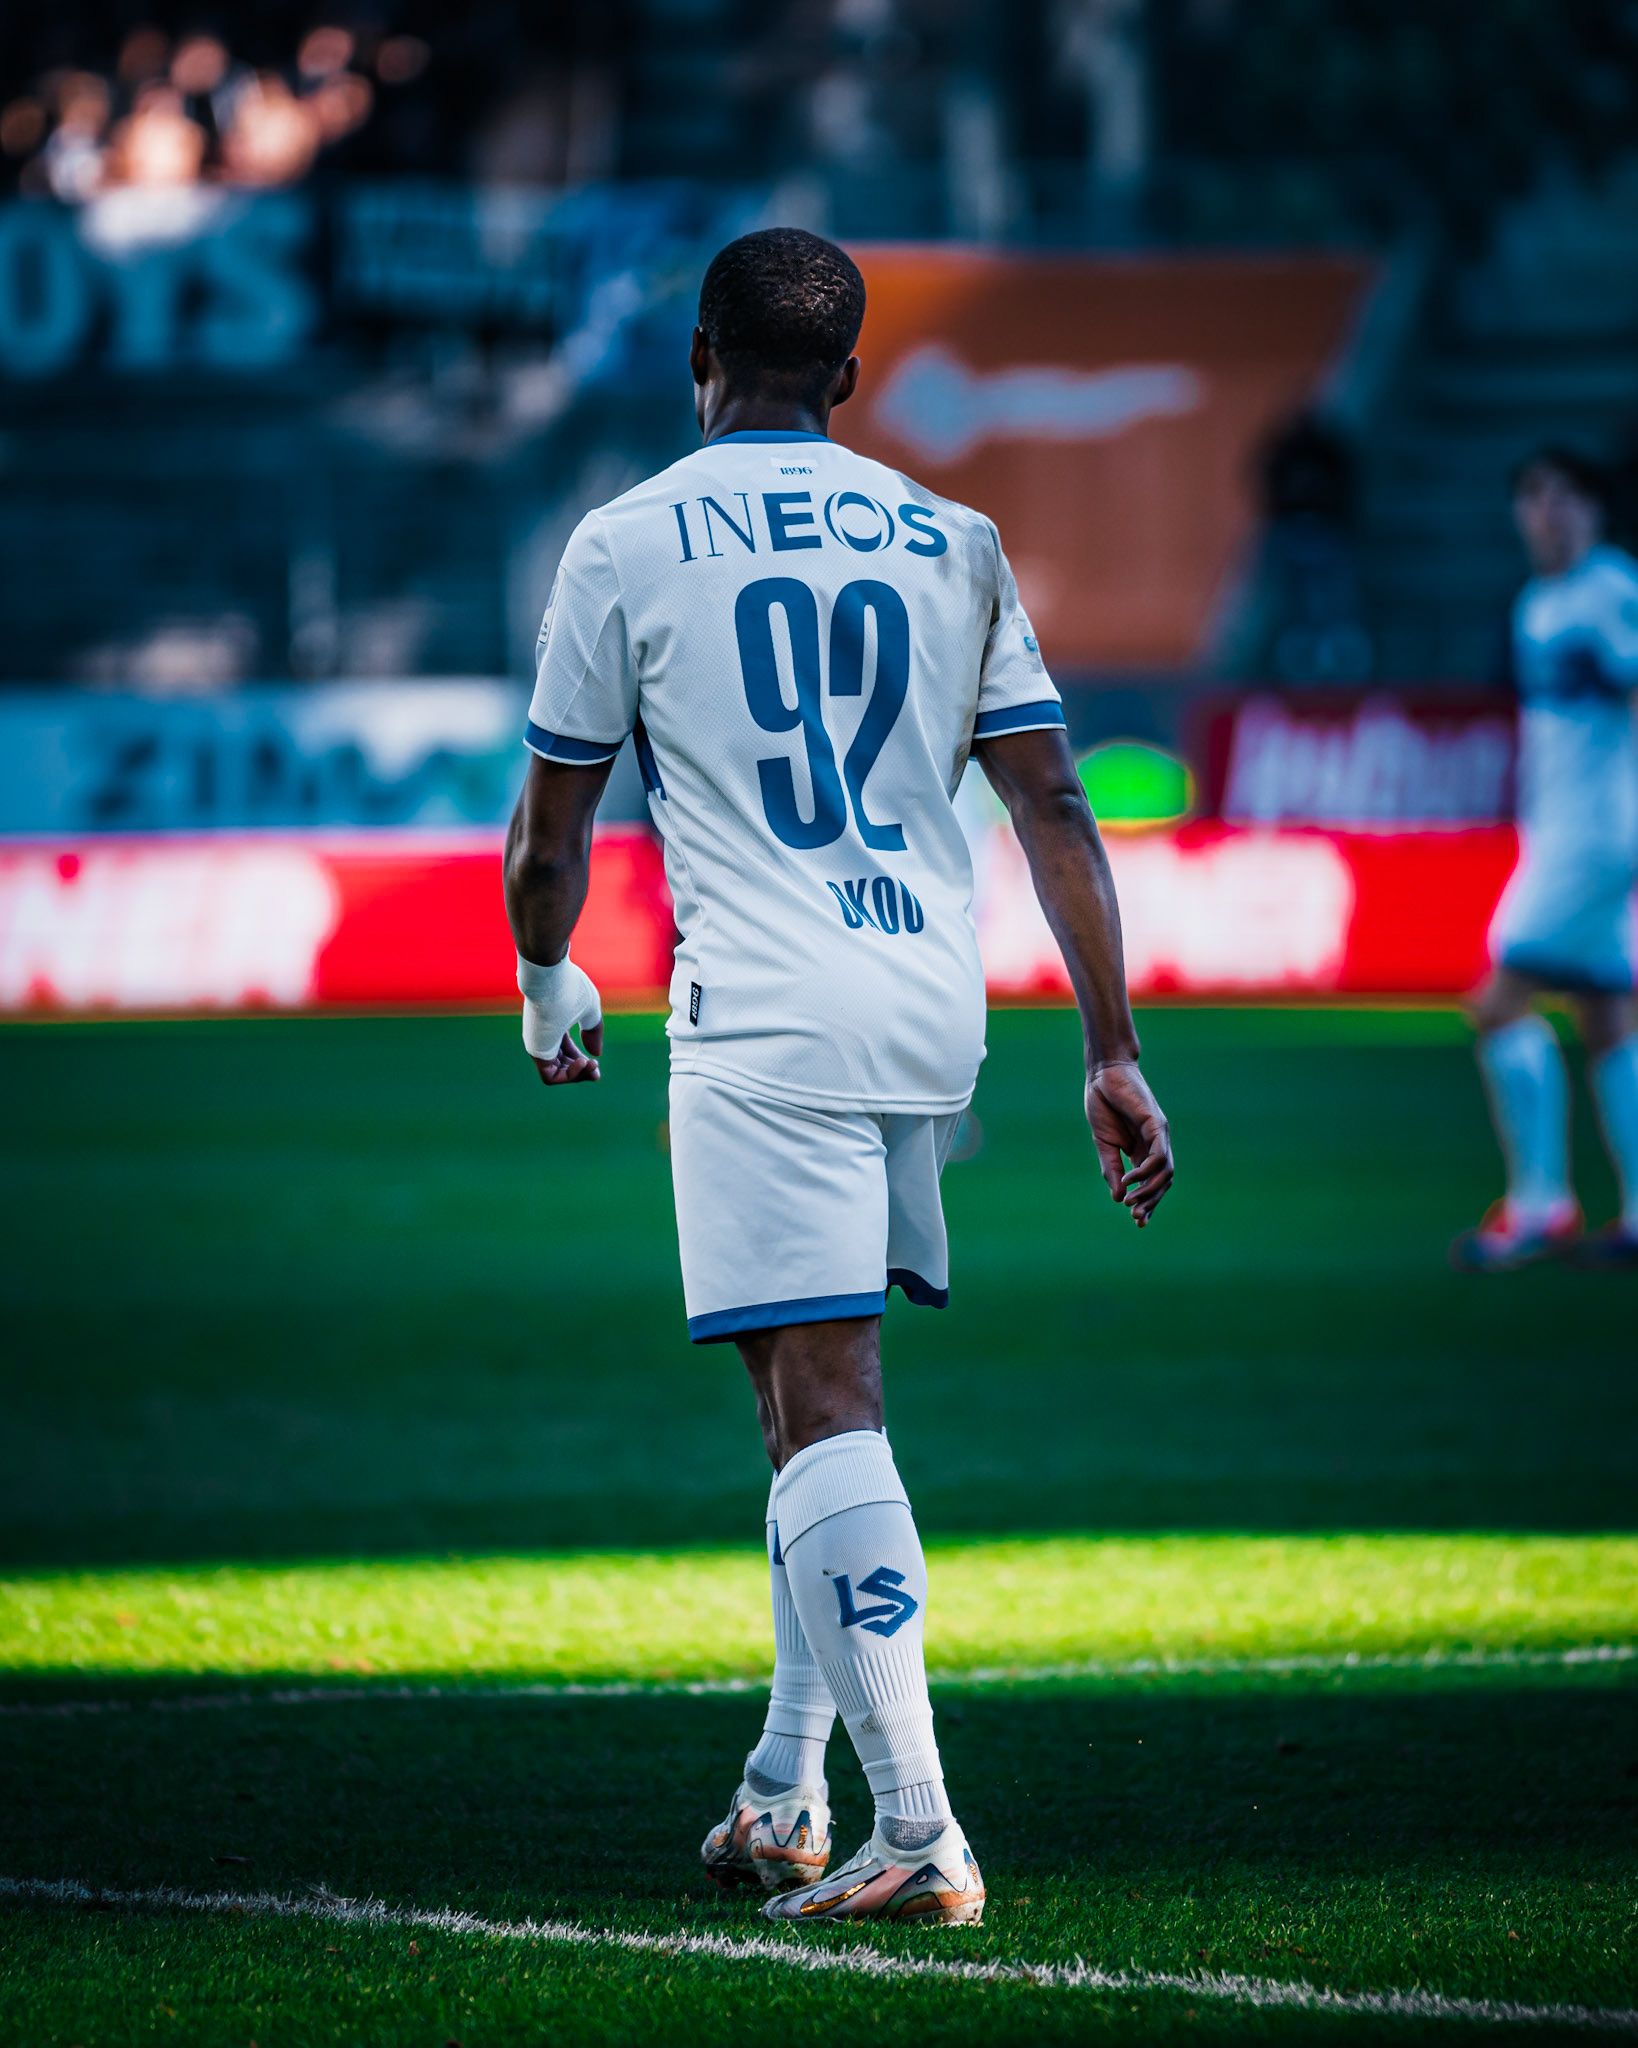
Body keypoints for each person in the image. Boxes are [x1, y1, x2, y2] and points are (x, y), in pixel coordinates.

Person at [503, 228, 1173, 1926]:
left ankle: (920, 1827)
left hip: (765, 1011)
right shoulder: (954, 537)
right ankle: (786, 1783)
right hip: (922, 1006)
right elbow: (1052, 802)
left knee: (824, 1403)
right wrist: (1109, 1046)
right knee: (803, 1395)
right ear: (851, 378)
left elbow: (549, 833)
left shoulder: (626, 539)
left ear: (700, 358)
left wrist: (546, 973)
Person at [1451, 447, 1638, 1271]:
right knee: (1605, 1016)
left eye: (1565, 497)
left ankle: (1539, 1206)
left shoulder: (1610, 591)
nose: (1548, 513)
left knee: (1497, 1003)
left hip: (1594, 838)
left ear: (1595, 510)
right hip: (1569, 831)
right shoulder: (1539, 603)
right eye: (1533, 498)